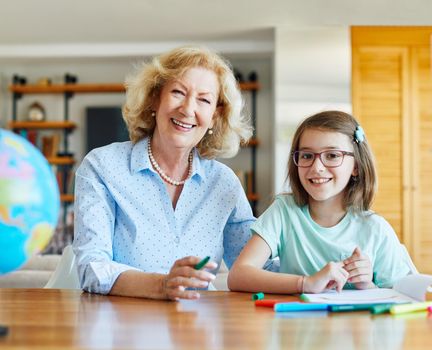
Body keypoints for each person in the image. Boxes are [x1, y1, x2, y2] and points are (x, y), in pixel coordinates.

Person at [73, 46, 255, 300]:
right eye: (178, 93)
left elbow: (254, 268)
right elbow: (91, 268)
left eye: (204, 99)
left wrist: (315, 273)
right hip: (121, 327)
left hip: (199, 327)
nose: (188, 109)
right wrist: (161, 285)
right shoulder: (102, 166)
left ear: (215, 116)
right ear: (155, 99)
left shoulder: (224, 183)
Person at [228, 110, 416, 294]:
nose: (317, 168)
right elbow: (238, 275)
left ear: (356, 167)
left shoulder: (376, 228)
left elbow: (399, 297)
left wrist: (367, 286)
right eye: (307, 156)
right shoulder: (284, 211)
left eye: (332, 155)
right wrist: (305, 283)